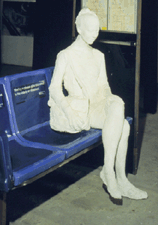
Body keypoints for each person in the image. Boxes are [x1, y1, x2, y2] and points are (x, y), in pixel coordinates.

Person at [48, 8, 148, 205]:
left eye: (97, 30)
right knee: (123, 124)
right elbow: (54, 89)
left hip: (99, 104)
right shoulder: (66, 55)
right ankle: (112, 175)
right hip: (82, 110)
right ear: (79, 28)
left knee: (119, 109)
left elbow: (104, 86)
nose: (95, 34)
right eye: (90, 30)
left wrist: (110, 98)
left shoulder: (98, 55)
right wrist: (69, 111)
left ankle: (115, 175)